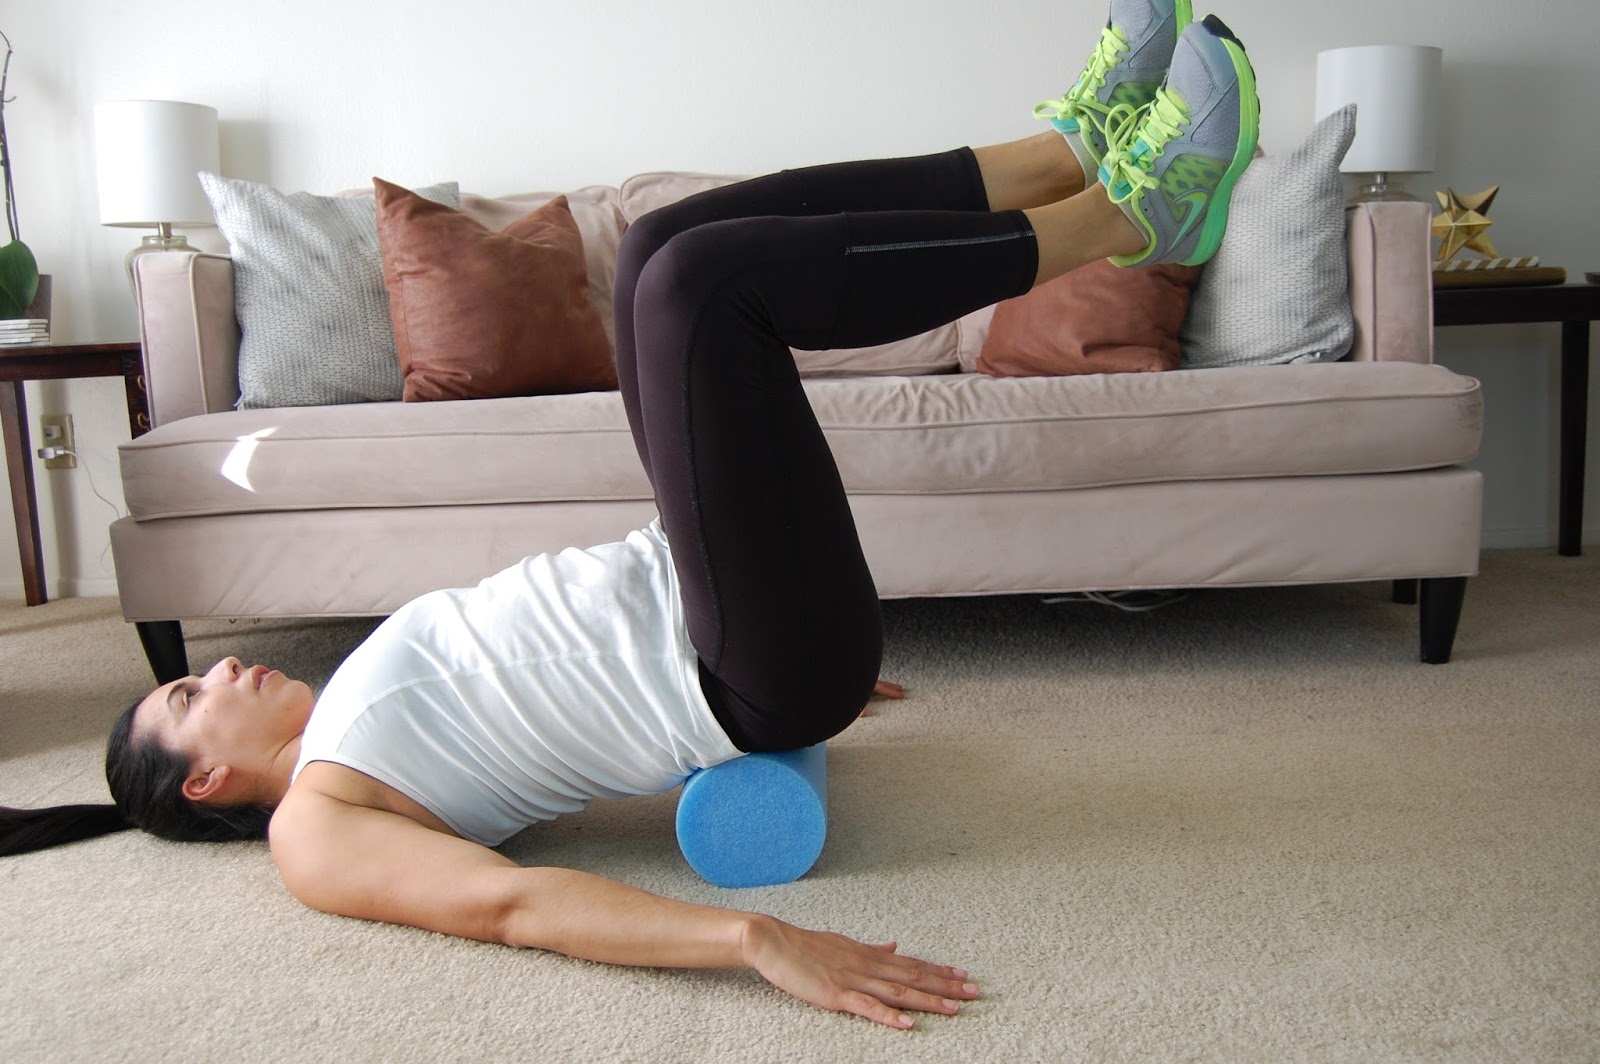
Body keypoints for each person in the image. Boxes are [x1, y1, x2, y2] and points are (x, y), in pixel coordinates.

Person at [1, 3, 1257, 1029]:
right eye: (186, 697)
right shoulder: (317, 831)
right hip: (742, 653)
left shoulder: (350, 714)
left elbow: (549, 681)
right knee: (710, 291)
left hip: (731, 603)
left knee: (665, 241)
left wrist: (783, 612)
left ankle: (1070, 152)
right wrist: (751, 937)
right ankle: (1126, 221)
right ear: (210, 775)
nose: (213, 666)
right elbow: (518, 905)